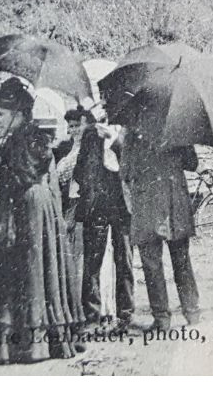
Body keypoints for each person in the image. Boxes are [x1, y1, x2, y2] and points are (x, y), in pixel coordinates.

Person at [0, 79, 83, 362]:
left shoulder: (17, 142)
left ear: (18, 113)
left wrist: (4, 221)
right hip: (43, 207)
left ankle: (27, 344)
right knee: (44, 266)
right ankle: (53, 340)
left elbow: (12, 185)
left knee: (27, 269)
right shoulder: (35, 137)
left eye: (2, 113)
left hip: (25, 208)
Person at [120, 123, 201, 330]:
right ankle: (192, 313)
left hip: (147, 202)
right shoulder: (179, 126)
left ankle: (162, 318)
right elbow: (192, 162)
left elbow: (126, 171)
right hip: (175, 202)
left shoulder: (132, 132)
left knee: (151, 263)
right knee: (182, 260)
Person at [71, 98, 135, 330]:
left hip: (123, 204)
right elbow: (80, 169)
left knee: (125, 260)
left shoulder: (129, 131)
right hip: (97, 203)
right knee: (92, 262)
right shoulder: (90, 134)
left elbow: (134, 165)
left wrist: (113, 140)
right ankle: (92, 315)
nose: (109, 112)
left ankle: (125, 315)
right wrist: (90, 187)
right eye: (107, 107)